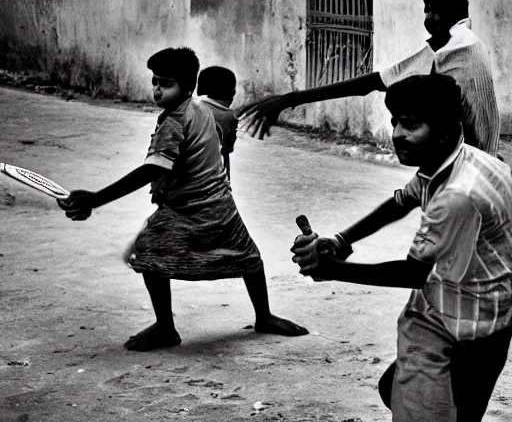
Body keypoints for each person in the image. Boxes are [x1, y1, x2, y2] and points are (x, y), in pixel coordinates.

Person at [291, 74, 512, 422]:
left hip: (469, 327)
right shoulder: (453, 159)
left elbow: (412, 273)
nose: (396, 134)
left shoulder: (458, 195)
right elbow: (401, 201)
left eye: (410, 125)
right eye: (394, 122)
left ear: (443, 130)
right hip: (466, 306)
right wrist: (340, 240)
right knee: (397, 389)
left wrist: (332, 270)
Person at [57, 47, 308, 352]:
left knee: (148, 253)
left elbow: (153, 167)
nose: (156, 90)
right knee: (248, 257)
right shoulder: (201, 110)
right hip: (220, 201)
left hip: (191, 207)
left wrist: (96, 199)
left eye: (165, 84)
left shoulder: (175, 122)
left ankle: (166, 328)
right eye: (155, 82)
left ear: (188, 87)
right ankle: (264, 316)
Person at [241, 0, 500, 156]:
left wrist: (290, 99)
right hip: (480, 160)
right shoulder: (469, 42)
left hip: (472, 166)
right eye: (426, 10)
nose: (428, 19)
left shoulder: (452, 45)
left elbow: (372, 83)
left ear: (455, 13)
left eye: (434, 11)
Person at [197, 66, 238, 180]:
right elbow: (229, 147)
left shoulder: (192, 108)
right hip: (215, 173)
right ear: (231, 93)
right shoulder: (230, 116)